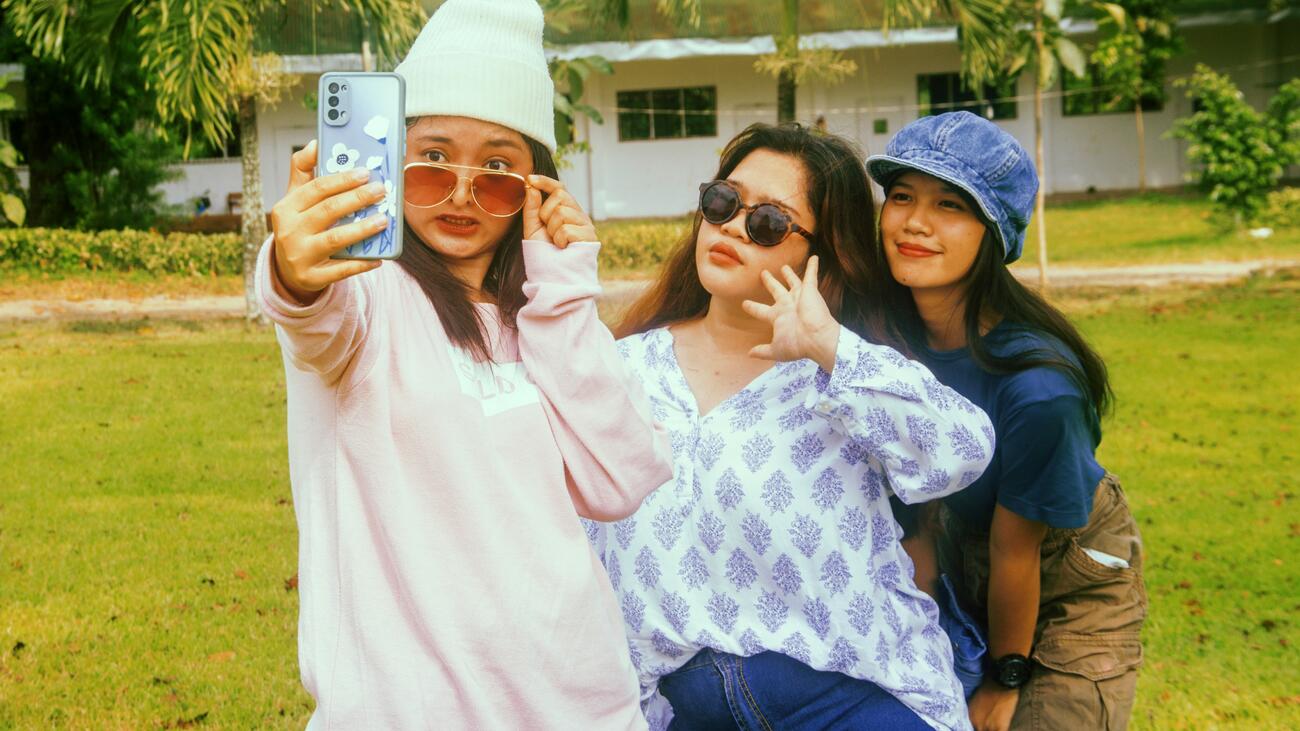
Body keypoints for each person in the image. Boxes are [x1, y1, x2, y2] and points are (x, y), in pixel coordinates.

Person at [256, 0, 672, 727]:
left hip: (583, 703)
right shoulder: (369, 295)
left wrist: (564, 290)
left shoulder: (542, 311)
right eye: (433, 158)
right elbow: (313, 317)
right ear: (391, 157)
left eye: (499, 170)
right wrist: (296, 268)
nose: (460, 191)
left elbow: (620, 478)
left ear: (534, 190)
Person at [590, 123, 996, 731]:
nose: (731, 226)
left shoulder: (841, 374)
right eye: (723, 201)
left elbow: (963, 451)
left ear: (820, 254)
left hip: (847, 697)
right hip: (676, 707)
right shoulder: (618, 367)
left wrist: (829, 347)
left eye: (770, 222)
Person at [864, 111, 1147, 731]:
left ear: (994, 235)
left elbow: (1015, 549)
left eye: (951, 206)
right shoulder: (883, 341)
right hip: (958, 540)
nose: (915, 222)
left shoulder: (1040, 388)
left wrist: (1003, 675)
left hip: (1063, 564)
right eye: (902, 196)